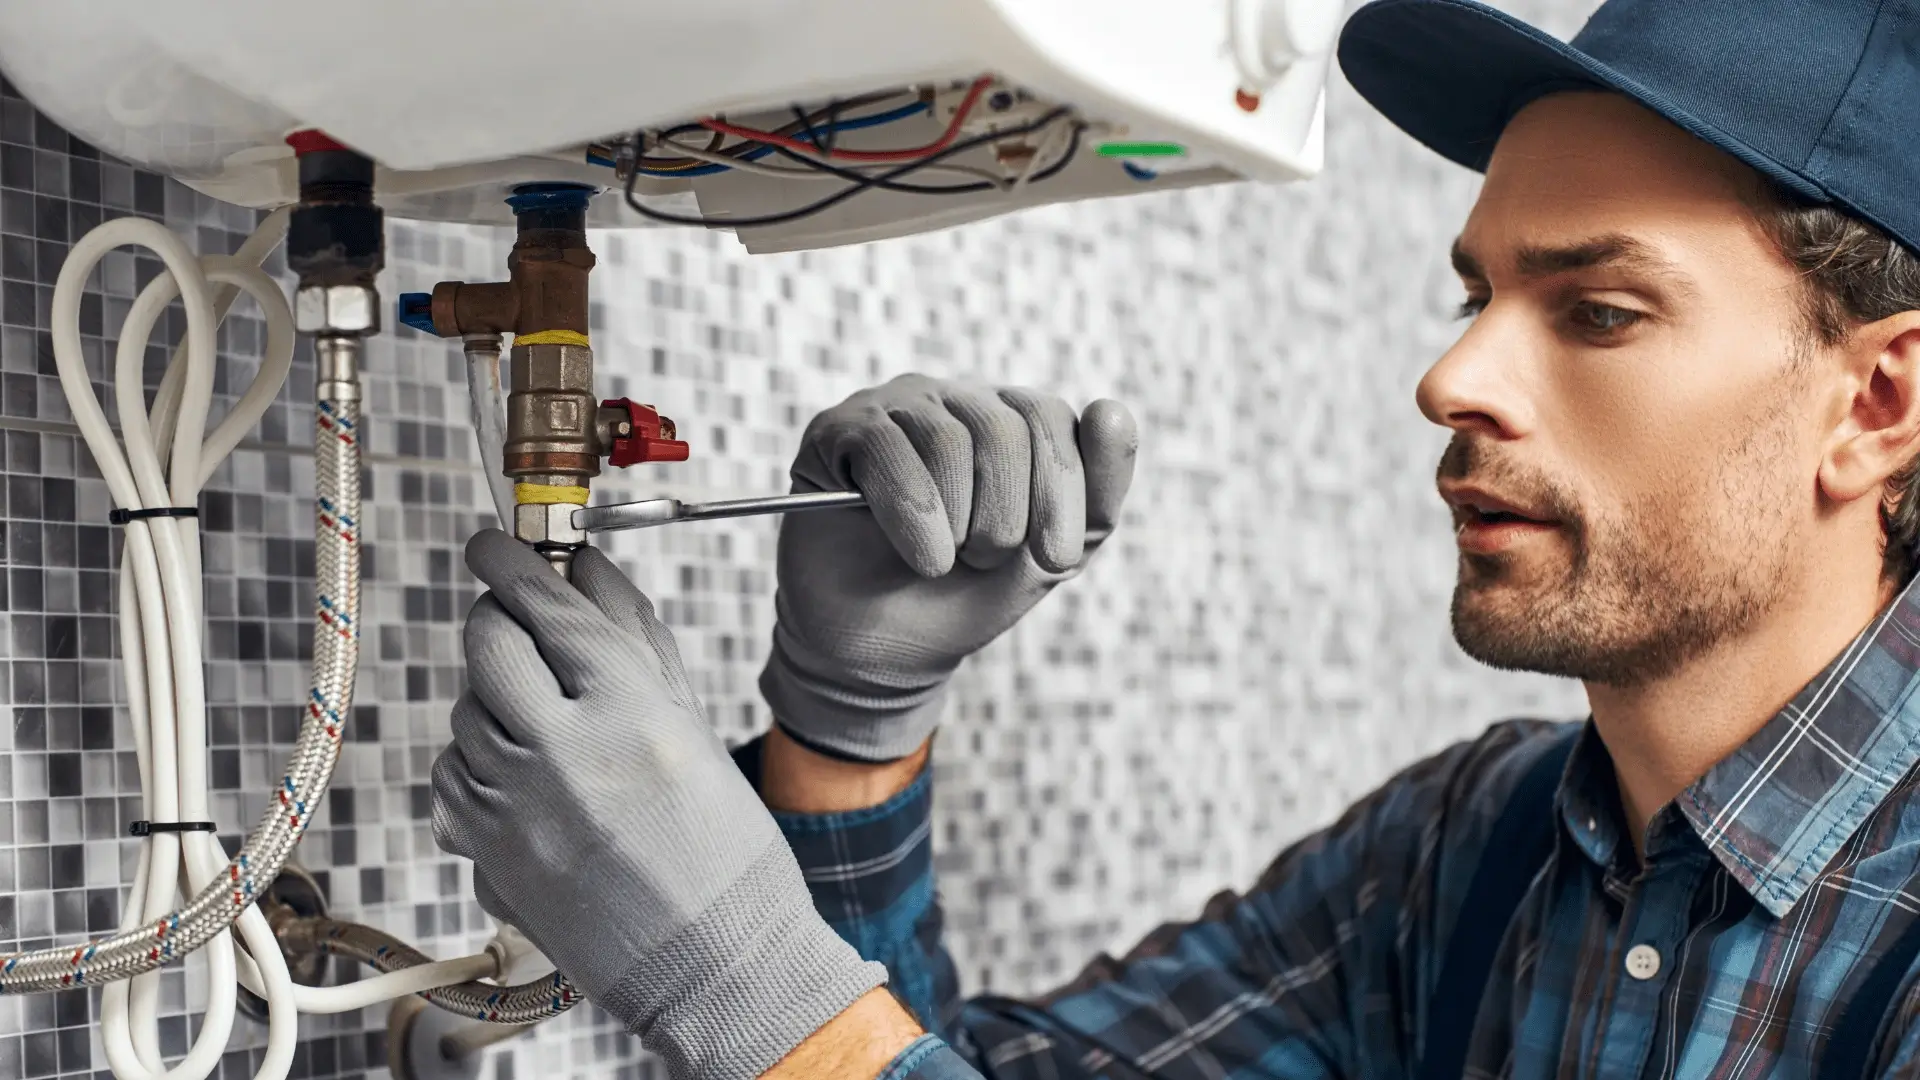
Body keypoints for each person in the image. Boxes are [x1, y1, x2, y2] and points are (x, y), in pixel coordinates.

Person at [426, 0, 1920, 1076]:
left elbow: (829, 1042)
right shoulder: (1475, 856)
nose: (1453, 380)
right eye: (1477, 296)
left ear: (1877, 402)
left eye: (1597, 311)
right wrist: (848, 728)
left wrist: (737, 975)